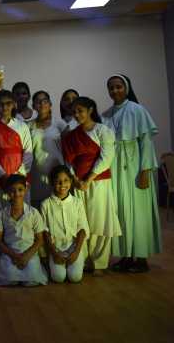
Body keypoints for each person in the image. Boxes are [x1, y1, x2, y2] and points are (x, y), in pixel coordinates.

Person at [103, 74, 162, 273]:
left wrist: (145, 171)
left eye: (118, 86)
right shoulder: (106, 115)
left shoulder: (138, 110)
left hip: (136, 167)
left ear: (126, 88)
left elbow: (146, 143)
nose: (115, 91)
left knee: (139, 213)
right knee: (120, 211)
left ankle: (142, 258)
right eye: (111, 88)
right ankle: (126, 256)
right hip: (115, 169)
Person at [62, 97, 121, 276]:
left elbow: (107, 157)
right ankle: (84, 259)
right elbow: (68, 160)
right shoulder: (72, 135)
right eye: (74, 112)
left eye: (80, 111)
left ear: (90, 110)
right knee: (81, 221)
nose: (77, 115)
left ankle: (99, 262)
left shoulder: (103, 130)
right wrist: (75, 179)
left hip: (98, 182)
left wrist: (89, 179)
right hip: (78, 184)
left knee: (99, 220)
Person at [0, 90, 33, 220]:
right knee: (0, 215)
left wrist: (19, 175)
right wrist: (4, 177)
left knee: (22, 214)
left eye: (8, 103)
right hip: (0, 179)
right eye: (1, 104)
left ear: (13, 104)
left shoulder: (22, 126)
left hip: (20, 177)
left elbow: (28, 152)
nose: (4, 107)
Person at [0, 174, 48, 287]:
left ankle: (38, 267)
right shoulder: (2, 214)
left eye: (20, 190)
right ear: (7, 192)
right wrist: (14, 256)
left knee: (31, 281)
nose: (17, 194)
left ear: (26, 189)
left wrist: (26, 256)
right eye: (12, 191)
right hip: (9, 254)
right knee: (9, 279)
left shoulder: (33, 213)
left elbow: (40, 240)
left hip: (29, 253)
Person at [40, 165, 89, 283]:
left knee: (75, 277)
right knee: (58, 278)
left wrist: (76, 252)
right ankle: (52, 266)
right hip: (56, 249)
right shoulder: (46, 204)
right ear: (52, 183)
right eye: (58, 181)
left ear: (71, 181)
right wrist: (54, 253)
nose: (62, 185)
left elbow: (82, 229)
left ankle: (73, 264)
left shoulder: (77, 203)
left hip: (74, 247)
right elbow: (45, 232)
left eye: (66, 180)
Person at [29, 91, 67, 207]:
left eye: (45, 101)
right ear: (33, 106)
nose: (42, 104)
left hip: (58, 174)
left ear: (50, 104)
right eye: (38, 102)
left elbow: (69, 148)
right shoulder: (28, 126)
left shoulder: (60, 124)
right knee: (39, 207)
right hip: (36, 174)